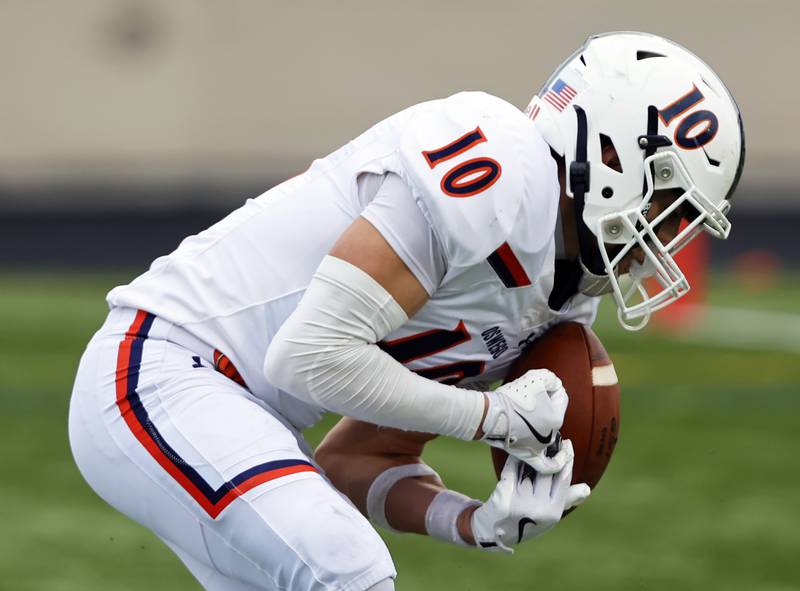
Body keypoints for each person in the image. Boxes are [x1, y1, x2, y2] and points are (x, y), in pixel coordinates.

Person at [68, 31, 744, 590]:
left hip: (241, 413)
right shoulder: (501, 169)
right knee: (348, 567)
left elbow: (357, 459)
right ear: (610, 154)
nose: (668, 237)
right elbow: (309, 357)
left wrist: (475, 520)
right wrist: (494, 418)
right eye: (668, 205)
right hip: (160, 369)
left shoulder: (561, 297)